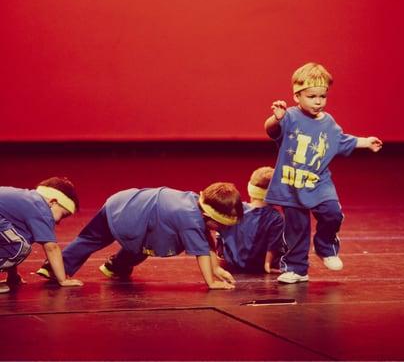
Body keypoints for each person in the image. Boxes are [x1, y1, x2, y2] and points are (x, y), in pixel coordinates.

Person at [264, 62, 383, 284]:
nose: (318, 101)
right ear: (297, 96)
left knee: (332, 213)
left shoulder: (328, 122)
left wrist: (366, 142)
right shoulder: (288, 117)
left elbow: (341, 139)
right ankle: (297, 268)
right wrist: (276, 118)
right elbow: (271, 130)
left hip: (318, 182)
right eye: (312, 96)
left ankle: (326, 246)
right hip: (292, 184)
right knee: (296, 228)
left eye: (322, 96)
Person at [37, 182, 243, 290]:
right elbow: (201, 253)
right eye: (221, 225)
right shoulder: (189, 219)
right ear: (209, 215)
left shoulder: (193, 202)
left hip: (121, 201)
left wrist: (217, 268)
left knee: (90, 238)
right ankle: (114, 265)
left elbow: (205, 239)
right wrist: (211, 282)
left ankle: (57, 267)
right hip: (131, 220)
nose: (220, 229)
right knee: (144, 245)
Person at [0, 177, 83, 293]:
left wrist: (12, 276)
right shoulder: (42, 209)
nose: (58, 222)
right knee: (21, 246)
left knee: (16, 241)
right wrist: (63, 280)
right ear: (53, 202)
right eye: (63, 215)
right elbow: (51, 248)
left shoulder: (29, 201)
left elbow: (7, 247)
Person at [216, 166, 284, 273]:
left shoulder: (236, 208)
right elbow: (273, 245)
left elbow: (220, 231)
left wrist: (220, 251)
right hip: (256, 265)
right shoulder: (275, 217)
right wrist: (267, 265)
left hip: (231, 262)